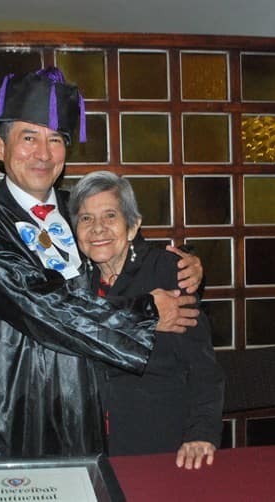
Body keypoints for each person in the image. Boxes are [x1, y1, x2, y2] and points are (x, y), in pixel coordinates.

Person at [0, 67, 204, 458]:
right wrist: (148, 313)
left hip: (84, 403)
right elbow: (39, 305)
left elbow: (134, 260)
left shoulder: (79, 211)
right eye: (28, 138)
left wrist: (186, 267)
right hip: (6, 408)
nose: (43, 154)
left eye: (55, 140)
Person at [68, 170, 224, 469]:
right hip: (88, 442)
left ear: (132, 225)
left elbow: (202, 365)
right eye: (86, 219)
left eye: (110, 215)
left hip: (158, 438)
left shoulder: (167, 271)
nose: (97, 228)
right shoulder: (73, 281)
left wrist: (201, 432)